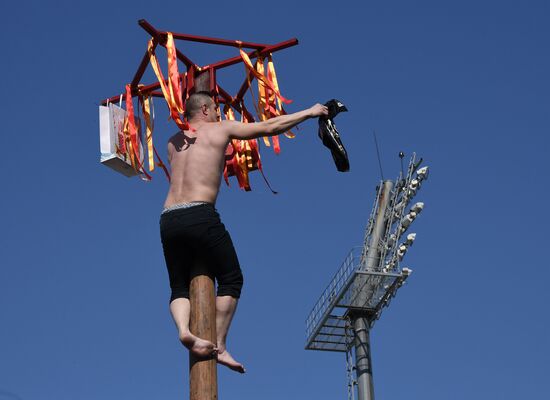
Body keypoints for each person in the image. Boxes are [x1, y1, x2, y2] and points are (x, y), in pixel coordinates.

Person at [159, 91, 328, 374]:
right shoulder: (220, 129)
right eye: (215, 109)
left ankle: (183, 330)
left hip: (168, 219)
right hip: (200, 213)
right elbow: (268, 127)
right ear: (203, 109)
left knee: (178, 285)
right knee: (231, 278)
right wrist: (308, 113)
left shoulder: (172, 143)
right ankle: (219, 344)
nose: (219, 114)